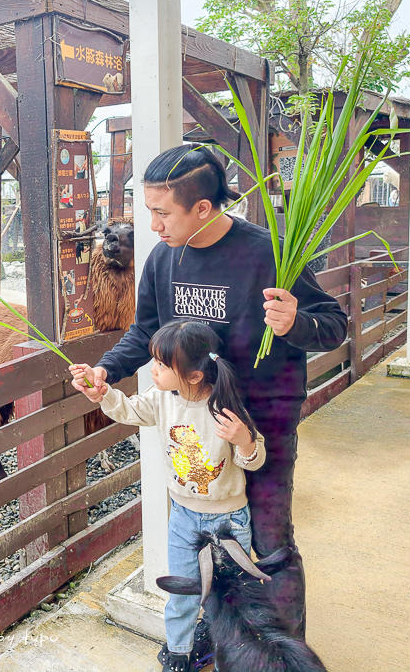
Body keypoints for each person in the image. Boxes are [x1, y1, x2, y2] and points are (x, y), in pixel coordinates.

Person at [71, 145, 347, 663]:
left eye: (161, 212)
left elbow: (333, 324)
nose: (151, 225)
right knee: (204, 544)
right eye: (147, 211)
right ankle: (222, 634)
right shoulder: (162, 258)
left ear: (203, 208)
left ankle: (279, 655)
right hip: (192, 429)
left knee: (268, 546)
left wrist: (297, 323)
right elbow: (146, 331)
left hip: (261, 422)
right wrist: (108, 369)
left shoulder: (271, 252)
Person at [70, 320, 265, 672]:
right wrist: (100, 393)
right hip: (183, 517)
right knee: (183, 591)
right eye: (154, 362)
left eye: (161, 365)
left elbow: (253, 459)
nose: (153, 370)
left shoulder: (225, 408)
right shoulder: (160, 399)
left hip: (229, 521)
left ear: (192, 376)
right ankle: (178, 653)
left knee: (229, 595)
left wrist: (244, 441)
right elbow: (128, 410)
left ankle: (228, 651)